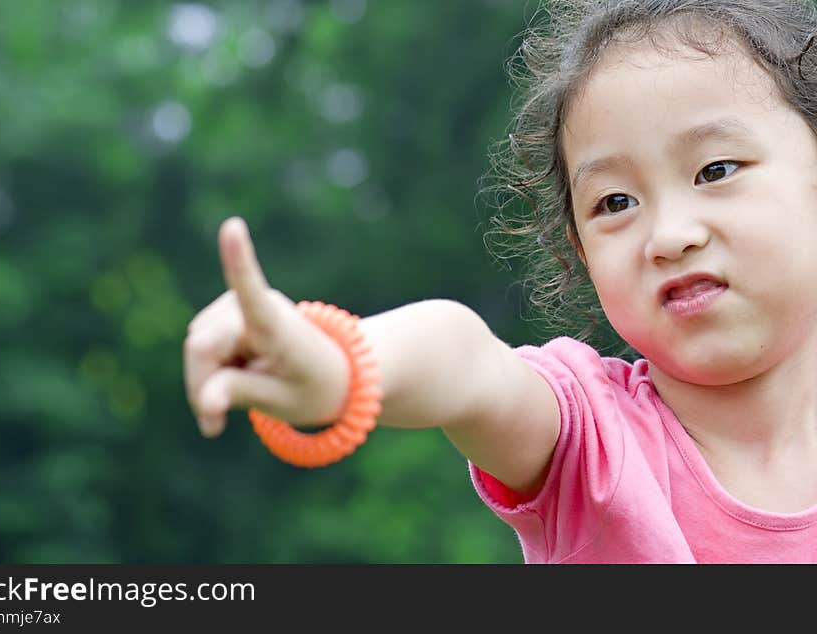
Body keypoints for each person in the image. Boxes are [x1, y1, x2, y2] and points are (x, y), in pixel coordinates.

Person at [183, 0, 817, 563]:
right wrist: (339, 363)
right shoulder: (590, 444)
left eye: (716, 169)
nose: (669, 235)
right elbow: (468, 366)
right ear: (582, 250)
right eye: (615, 203)